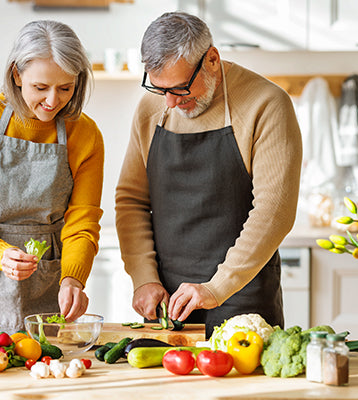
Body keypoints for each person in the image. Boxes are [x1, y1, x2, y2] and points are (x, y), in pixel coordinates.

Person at [115, 11, 302, 339]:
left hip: (244, 298)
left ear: (212, 59)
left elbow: (275, 211)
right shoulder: (151, 109)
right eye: (160, 90)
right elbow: (131, 199)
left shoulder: (266, 105)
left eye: (181, 88)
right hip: (168, 304)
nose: (171, 103)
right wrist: (144, 277)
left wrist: (217, 287)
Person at [0, 20, 104, 334]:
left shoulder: (85, 134)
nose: (53, 101)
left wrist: (73, 279)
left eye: (65, 88)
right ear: (16, 74)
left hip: (44, 287)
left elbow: (83, 221)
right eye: (41, 87)